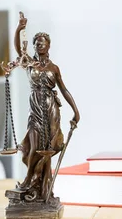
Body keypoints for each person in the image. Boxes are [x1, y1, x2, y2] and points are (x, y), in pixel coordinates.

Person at [13, 16, 80, 201]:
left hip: (51, 109)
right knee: (35, 146)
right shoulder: (29, 63)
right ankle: (29, 178)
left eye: (43, 43)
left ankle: (43, 189)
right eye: (37, 44)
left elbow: (64, 89)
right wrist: (19, 29)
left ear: (48, 46)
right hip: (35, 107)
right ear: (34, 46)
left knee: (48, 147)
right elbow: (18, 49)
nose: (40, 46)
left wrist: (76, 111)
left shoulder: (54, 68)